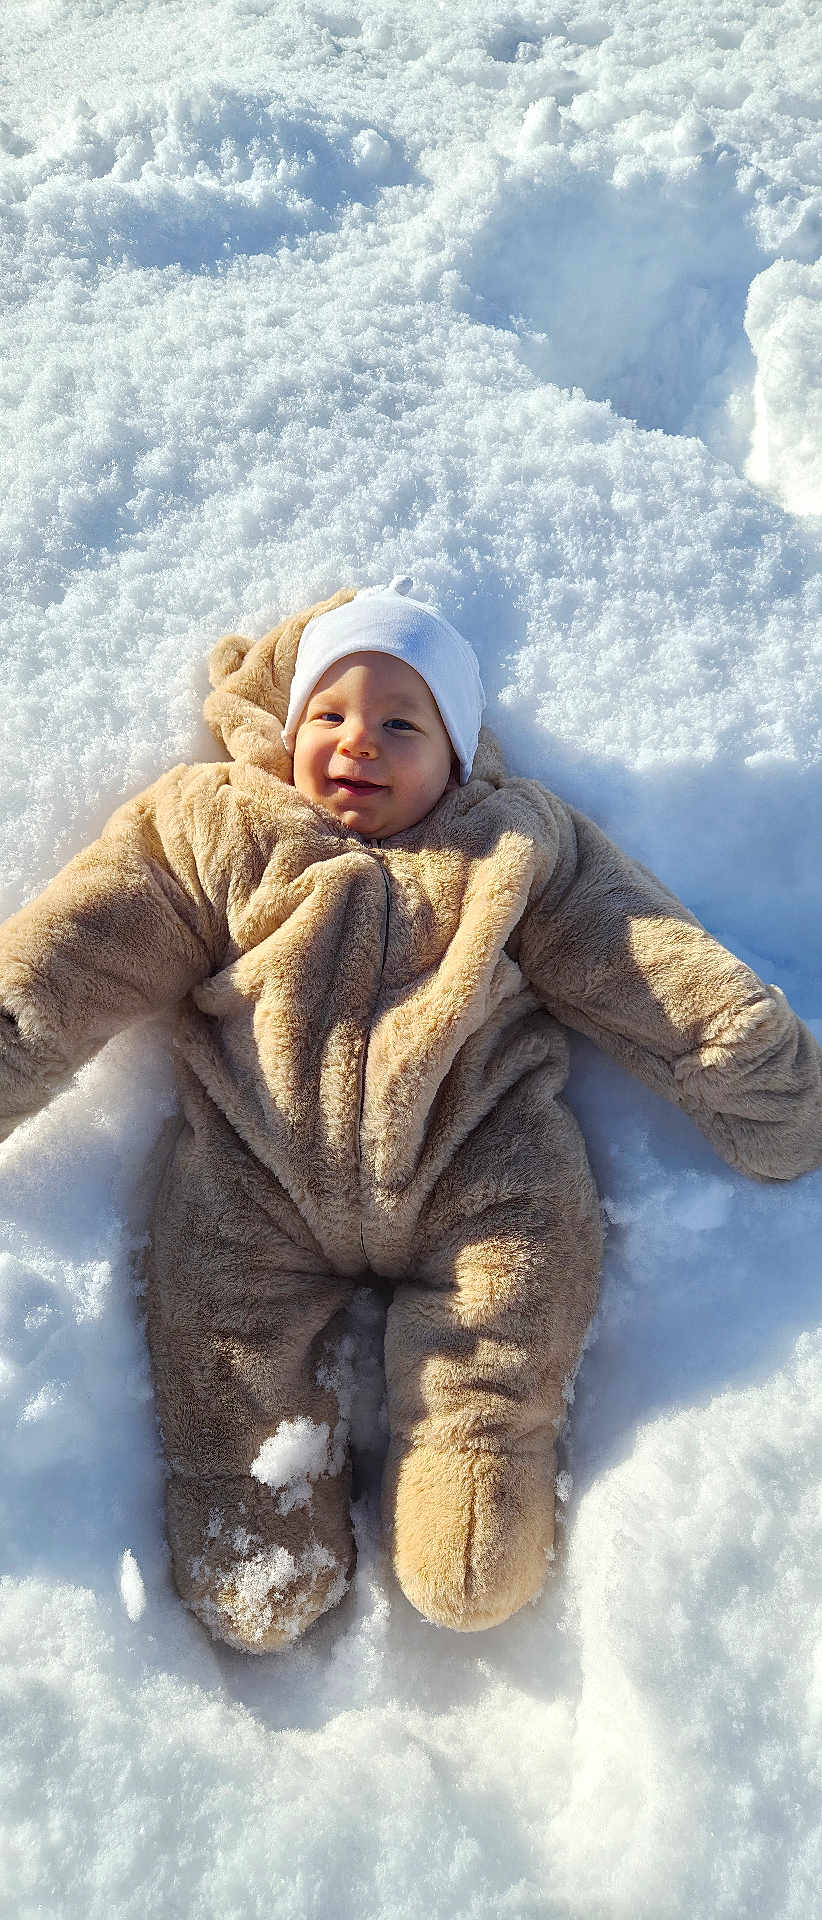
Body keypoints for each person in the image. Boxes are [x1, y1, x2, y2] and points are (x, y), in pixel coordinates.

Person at [1, 578, 820, 1651]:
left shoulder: (514, 845)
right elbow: (85, 949)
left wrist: (744, 1057)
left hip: (478, 1163)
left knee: (517, 1289)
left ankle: (478, 1447)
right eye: (330, 717)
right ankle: (253, 1502)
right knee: (222, 1334)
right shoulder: (218, 826)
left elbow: (633, 956)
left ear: (458, 748)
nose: (358, 743)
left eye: (401, 722)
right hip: (257, 1176)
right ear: (289, 729)